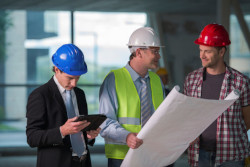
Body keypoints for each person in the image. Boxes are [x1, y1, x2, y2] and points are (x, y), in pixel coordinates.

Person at [99, 27, 167, 167]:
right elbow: (104, 122)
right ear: (138, 52)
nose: (158, 56)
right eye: (155, 51)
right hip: (122, 156)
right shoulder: (114, 79)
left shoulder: (156, 80)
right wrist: (126, 136)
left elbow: (164, 117)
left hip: (152, 155)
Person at [184, 23, 250, 167]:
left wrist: (230, 135)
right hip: (198, 153)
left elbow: (248, 120)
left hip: (231, 155)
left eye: (207, 51)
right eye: (201, 50)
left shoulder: (241, 82)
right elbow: (186, 114)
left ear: (221, 52)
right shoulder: (191, 79)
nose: (202, 56)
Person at [26, 44, 100, 167]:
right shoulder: (40, 95)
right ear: (56, 69)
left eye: (78, 78)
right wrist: (62, 131)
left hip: (83, 162)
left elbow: (80, 131)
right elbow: (32, 137)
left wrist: (89, 136)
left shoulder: (80, 94)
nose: (74, 83)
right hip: (56, 162)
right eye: (70, 78)